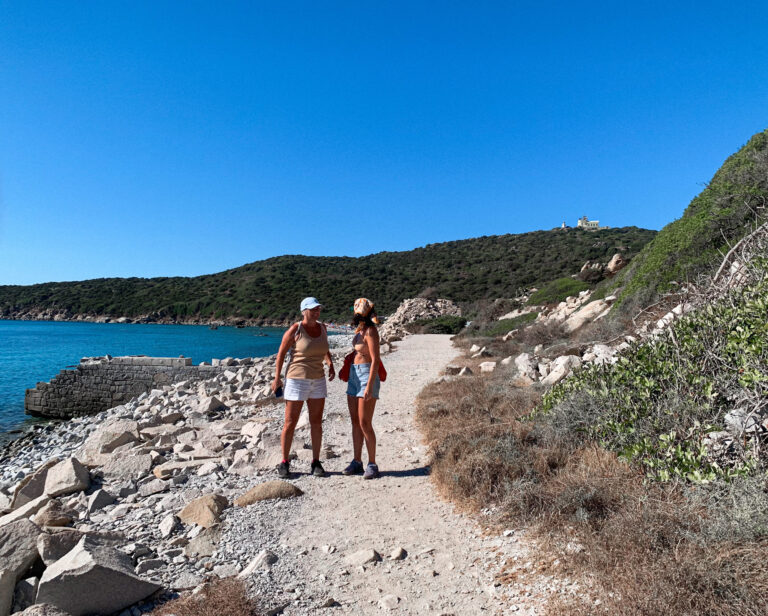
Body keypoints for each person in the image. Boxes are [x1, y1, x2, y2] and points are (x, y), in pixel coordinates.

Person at [272, 297, 335, 478]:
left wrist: (330, 363)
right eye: (312, 309)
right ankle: (284, 462)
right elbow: (281, 354)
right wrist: (277, 379)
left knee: (316, 422)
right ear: (303, 311)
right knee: (290, 422)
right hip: (296, 379)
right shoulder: (295, 329)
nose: (316, 312)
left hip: (318, 380)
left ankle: (316, 462)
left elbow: (324, 349)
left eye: (318, 309)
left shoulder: (322, 328)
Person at [343, 297, 382, 479]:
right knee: (355, 422)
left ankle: (372, 463)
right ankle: (357, 461)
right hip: (354, 375)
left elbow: (375, 359)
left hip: (366, 375)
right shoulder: (360, 329)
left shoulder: (371, 331)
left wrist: (368, 385)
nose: (357, 315)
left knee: (365, 422)